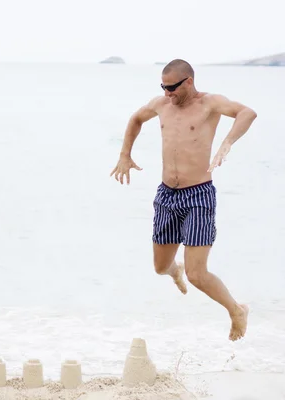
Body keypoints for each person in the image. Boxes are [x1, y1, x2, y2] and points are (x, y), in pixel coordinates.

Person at [110, 59, 257, 341]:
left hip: (198, 195)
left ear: (188, 82)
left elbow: (247, 113)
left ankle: (237, 310)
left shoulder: (210, 104)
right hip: (166, 194)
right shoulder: (162, 104)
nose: (167, 94)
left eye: (172, 88)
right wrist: (124, 155)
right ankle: (174, 271)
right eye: (163, 88)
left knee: (197, 274)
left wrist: (227, 143)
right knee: (160, 267)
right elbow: (136, 119)